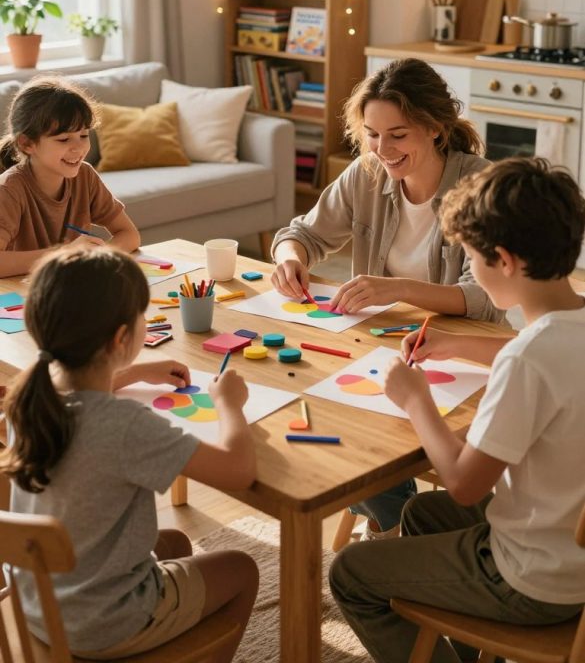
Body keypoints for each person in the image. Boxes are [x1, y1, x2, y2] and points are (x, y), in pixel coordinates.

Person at [330, 157, 585, 663]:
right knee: (422, 512)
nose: (473, 273)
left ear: (506, 261)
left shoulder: (526, 360)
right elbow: (544, 355)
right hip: (570, 549)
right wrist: (455, 345)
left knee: (351, 573)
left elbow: (466, 483)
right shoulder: (564, 330)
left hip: (534, 579)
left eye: (472, 258)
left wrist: (417, 400)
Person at [272, 58, 503, 538]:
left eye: (397, 135)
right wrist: (290, 258)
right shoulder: (368, 173)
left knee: (358, 431)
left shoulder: (480, 185)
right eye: (373, 134)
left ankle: (392, 531)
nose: (382, 149)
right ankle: (394, 525)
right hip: (382, 346)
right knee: (324, 417)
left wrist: (397, 289)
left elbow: (484, 301)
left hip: (458, 351)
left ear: (435, 128)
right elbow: (301, 233)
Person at [0, 246, 258, 661]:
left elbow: (83, 402)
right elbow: (238, 470)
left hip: (36, 607)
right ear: (123, 338)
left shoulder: (28, 401)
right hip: (105, 624)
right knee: (242, 568)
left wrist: (133, 372)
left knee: (173, 543)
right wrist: (229, 403)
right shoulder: (124, 427)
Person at [0, 75, 140, 277]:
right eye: (64, 139)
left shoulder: (85, 175)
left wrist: (97, 257)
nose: (79, 148)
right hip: (24, 297)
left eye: (84, 135)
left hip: (70, 287)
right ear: (26, 144)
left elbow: (129, 235)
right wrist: (65, 253)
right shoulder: (9, 190)